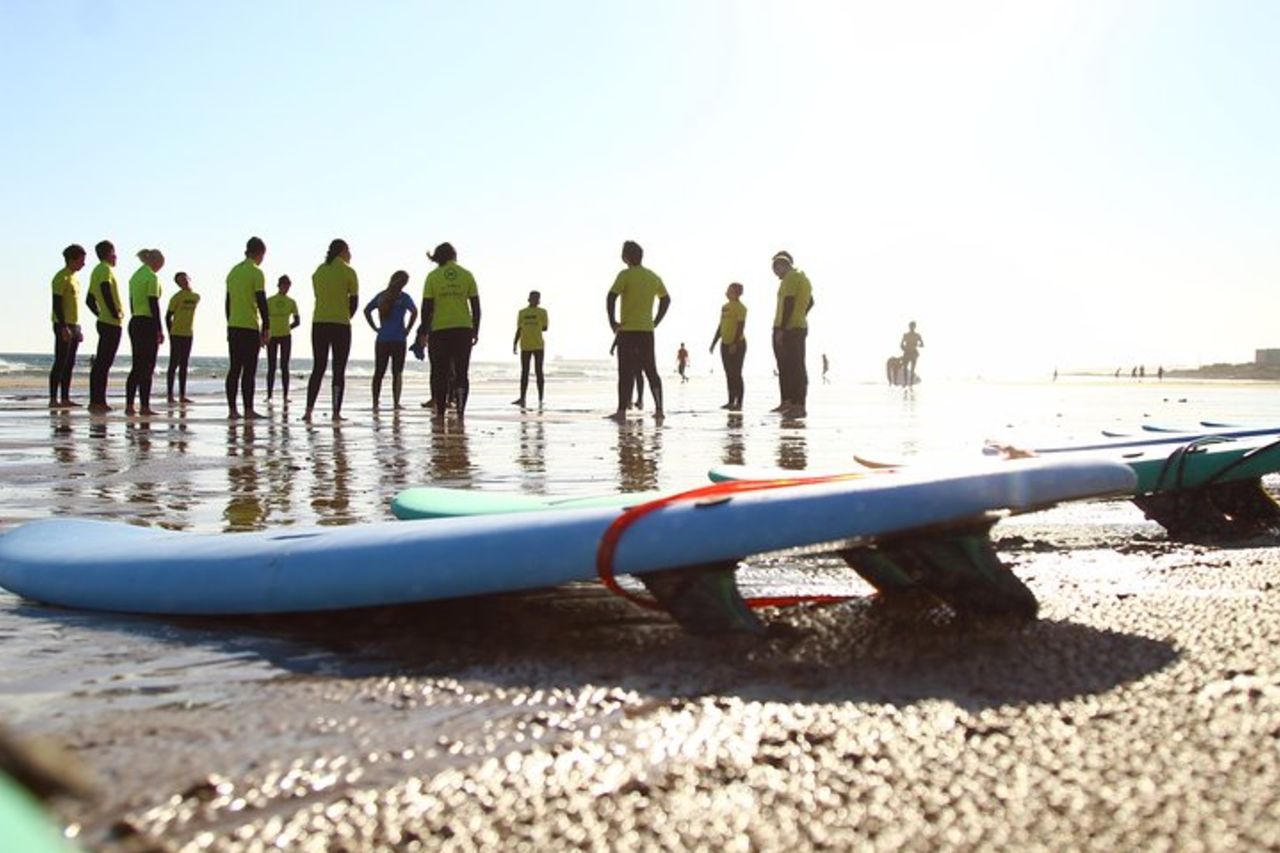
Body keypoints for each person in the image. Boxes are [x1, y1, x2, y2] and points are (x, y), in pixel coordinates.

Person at [415, 242, 479, 422]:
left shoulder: (432, 277)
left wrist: (423, 330)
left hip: (440, 330)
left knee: (439, 372)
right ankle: (460, 411)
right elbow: (475, 306)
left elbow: (426, 307)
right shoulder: (467, 275)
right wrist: (476, 329)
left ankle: (441, 411)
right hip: (463, 329)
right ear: (454, 255)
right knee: (461, 372)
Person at [606, 240, 669, 422]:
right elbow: (666, 300)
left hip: (627, 331)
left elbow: (611, 297)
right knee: (651, 369)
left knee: (625, 371)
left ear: (625, 257)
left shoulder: (625, 275)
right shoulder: (653, 276)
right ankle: (659, 409)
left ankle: (621, 411)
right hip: (646, 331)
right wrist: (655, 320)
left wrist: (612, 322)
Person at [304, 239, 359, 422]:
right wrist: (345, 316)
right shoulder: (349, 271)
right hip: (340, 325)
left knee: (318, 367)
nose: (350, 254)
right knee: (338, 368)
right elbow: (354, 302)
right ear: (342, 251)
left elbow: (318, 294)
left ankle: (308, 410)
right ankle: (336, 412)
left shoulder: (319, 271)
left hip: (319, 322)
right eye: (348, 250)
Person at [225, 236, 270, 420]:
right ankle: (249, 409)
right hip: (249, 326)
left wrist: (229, 323)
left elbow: (227, 302)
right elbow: (261, 301)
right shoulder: (256, 272)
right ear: (260, 253)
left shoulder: (233, 272)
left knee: (234, 368)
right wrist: (266, 327)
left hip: (234, 326)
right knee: (249, 371)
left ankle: (233, 410)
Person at [363, 270, 417, 411]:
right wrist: (408, 329)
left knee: (379, 371)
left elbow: (367, 310)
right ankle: (396, 402)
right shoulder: (404, 297)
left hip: (383, 338)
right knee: (397, 372)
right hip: (399, 339)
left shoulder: (381, 296)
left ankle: (375, 402)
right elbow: (415, 312)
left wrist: (375, 327)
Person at [770, 250, 813, 417]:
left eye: (776, 270)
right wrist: (800, 315)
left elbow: (788, 303)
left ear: (782, 266)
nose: (776, 274)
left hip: (788, 329)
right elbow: (811, 301)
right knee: (788, 367)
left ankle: (798, 405)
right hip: (796, 326)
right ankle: (789, 402)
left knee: (794, 368)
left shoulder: (790, 278)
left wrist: (782, 329)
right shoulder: (802, 278)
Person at [125, 249, 165, 416]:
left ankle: (129, 405)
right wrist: (159, 329)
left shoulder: (135, 276)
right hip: (147, 322)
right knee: (147, 367)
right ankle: (145, 406)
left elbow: (132, 302)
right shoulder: (151, 277)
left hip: (135, 321)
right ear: (156, 262)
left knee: (137, 366)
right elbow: (153, 304)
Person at [86, 240, 123, 413]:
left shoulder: (97, 271)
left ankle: (97, 400)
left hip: (105, 321)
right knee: (103, 364)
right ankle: (97, 401)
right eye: (114, 252)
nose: (116, 256)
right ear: (109, 253)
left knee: (101, 363)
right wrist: (113, 313)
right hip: (110, 323)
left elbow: (89, 300)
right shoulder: (104, 269)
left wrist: (100, 313)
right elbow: (105, 289)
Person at [49, 244, 87, 409]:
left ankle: (65, 397)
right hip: (62, 324)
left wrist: (78, 328)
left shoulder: (75, 279)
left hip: (74, 324)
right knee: (61, 361)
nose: (83, 264)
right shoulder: (61, 277)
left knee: (70, 363)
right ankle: (53, 398)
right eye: (81, 260)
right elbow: (57, 303)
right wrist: (63, 326)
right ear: (72, 259)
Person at [708, 282, 746, 410]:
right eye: (727, 290)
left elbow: (741, 326)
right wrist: (714, 343)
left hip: (738, 344)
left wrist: (734, 343)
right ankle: (730, 401)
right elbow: (721, 327)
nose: (727, 292)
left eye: (730, 291)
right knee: (729, 373)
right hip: (724, 343)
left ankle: (739, 402)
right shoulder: (724, 307)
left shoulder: (741, 307)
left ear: (737, 293)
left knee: (736, 373)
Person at [164, 272, 200, 404]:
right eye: (180, 281)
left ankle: (182, 395)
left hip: (188, 333)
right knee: (173, 364)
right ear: (178, 284)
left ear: (188, 279)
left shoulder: (196, 297)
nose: (183, 282)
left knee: (184, 364)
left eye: (185, 279)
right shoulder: (176, 298)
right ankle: (169, 395)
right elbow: (168, 316)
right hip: (176, 333)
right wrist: (170, 332)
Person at [265, 275, 300, 403]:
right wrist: (263, 333)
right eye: (284, 285)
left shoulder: (291, 302)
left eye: (288, 286)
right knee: (271, 366)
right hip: (272, 336)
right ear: (279, 285)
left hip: (285, 336)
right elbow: (264, 319)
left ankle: (285, 395)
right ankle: (269, 395)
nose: (286, 288)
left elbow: (297, 321)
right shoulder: (269, 301)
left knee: (284, 366)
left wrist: (288, 327)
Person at [511, 290, 548, 408]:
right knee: (524, 372)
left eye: (537, 298)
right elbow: (519, 329)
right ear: (529, 299)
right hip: (525, 345)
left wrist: (533, 327)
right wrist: (514, 343)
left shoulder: (542, 312)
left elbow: (545, 328)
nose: (536, 300)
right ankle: (522, 397)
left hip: (538, 346)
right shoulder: (522, 312)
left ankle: (541, 398)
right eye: (533, 298)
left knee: (539, 372)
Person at [899, 321, 923, 387]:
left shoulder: (917, 335)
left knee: (912, 368)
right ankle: (906, 382)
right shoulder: (905, 335)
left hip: (913, 353)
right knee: (905, 368)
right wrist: (904, 349)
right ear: (909, 327)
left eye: (913, 326)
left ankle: (911, 383)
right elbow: (901, 344)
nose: (911, 327)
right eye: (911, 326)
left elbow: (922, 344)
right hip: (907, 353)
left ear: (915, 327)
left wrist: (916, 344)